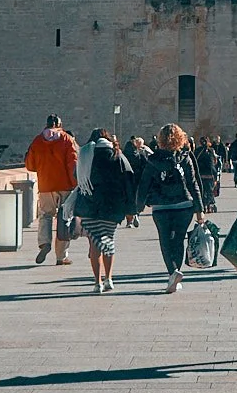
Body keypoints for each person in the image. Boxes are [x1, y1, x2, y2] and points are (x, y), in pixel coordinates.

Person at [140, 124, 204, 293]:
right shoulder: (185, 158)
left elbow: (144, 183)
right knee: (179, 240)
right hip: (184, 205)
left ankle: (173, 272)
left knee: (165, 240)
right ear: (180, 139)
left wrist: (138, 206)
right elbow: (193, 183)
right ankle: (176, 272)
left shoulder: (153, 160)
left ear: (160, 140)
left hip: (161, 207)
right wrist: (200, 210)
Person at [74, 128, 134, 293]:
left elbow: (76, 176)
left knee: (95, 243)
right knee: (108, 239)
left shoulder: (85, 155)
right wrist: (130, 207)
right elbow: (128, 179)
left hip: (89, 205)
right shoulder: (116, 154)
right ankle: (109, 278)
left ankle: (97, 282)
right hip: (112, 206)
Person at [23, 114, 80, 265]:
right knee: (64, 219)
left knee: (45, 216)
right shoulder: (67, 139)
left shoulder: (37, 141)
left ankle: (44, 243)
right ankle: (61, 256)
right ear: (59, 124)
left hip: (46, 185)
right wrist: (75, 184)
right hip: (65, 185)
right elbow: (72, 164)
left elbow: (30, 165)